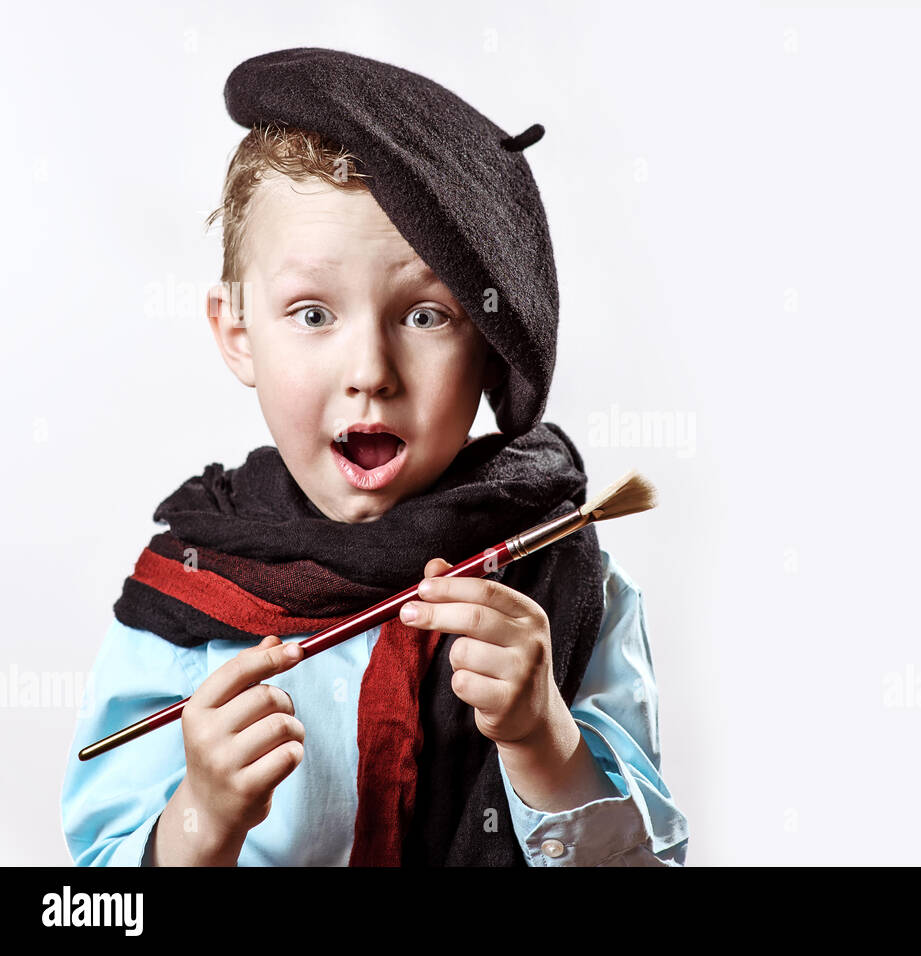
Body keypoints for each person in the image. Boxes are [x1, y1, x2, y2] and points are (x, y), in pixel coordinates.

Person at [59, 48, 687, 867]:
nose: (370, 373)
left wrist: (543, 742)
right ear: (237, 332)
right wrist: (200, 819)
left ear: (493, 347)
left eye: (426, 316)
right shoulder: (185, 593)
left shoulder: (571, 584)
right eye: (313, 313)